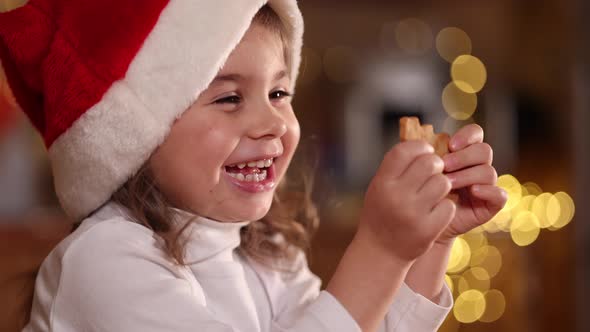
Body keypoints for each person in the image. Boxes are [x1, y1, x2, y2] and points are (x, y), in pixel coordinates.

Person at [0, 0, 507, 331]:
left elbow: (357, 322)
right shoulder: (105, 263)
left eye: (279, 92)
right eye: (228, 99)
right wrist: (379, 248)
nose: (273, 123)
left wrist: (428, 243)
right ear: (135, 137)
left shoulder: (266, 254)